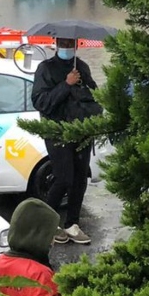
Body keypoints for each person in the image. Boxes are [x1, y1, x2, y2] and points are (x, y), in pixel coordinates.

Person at [33, 38, 101, 244]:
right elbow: (41, 102)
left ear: (76, 45)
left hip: (81, 132)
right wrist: (66, 84)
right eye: (62, 43)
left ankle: (72, 224)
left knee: (80, 180)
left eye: (69, 43)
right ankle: (49, 224)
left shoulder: (82, 67)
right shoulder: (45, 68)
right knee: (64, 178)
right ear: (55, 44)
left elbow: (95, 97)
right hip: (57, 132)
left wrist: (81, 88)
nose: (66, 48)